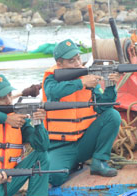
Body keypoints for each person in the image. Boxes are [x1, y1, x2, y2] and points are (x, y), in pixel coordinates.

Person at [42, 39, 121, 186]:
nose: (78, 63)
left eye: (78, 58)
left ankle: (99, 161)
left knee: (112, 115)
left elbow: (103, 107)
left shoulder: (87, 77)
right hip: (60, 145)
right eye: (72, 61)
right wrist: (81, 83)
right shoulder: (52, 77)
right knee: (54, 178)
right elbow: (52, 92)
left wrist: (110, 85)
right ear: (60, 64)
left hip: (85, 141)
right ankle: (70, 164)